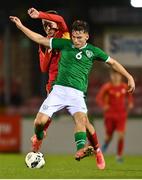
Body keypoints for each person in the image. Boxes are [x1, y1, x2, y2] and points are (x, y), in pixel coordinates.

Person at [9, 16, 135, 170]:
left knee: (82, 121)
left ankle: (84, 150)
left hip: (77, 94)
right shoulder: (65, 44)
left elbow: (113, 62)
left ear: (87, 36)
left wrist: (129, 77)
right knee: (39, 122)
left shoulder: (93, 51)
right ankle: (38, 138)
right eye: (74, 37)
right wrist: (21, 26)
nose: (76, 40)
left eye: (80, 38)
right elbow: (40, 39)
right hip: (59, 90)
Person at [27, 7, 103, 161]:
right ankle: (37, 143)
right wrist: (49, 50)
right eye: (44, 25)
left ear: (56, 25)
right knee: (44, 118)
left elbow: (60, 20)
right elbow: (43, 68)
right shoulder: (45, 43)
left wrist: (39, 15)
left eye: (50, 24)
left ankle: (97, 150)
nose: (47, 28)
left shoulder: (66, 35)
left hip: (73, 83)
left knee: (85, 123)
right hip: (55, 83)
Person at [95, 69, 134, 162]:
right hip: (109, 116)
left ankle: (119, 156)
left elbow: (130, 97)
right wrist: (103, 105)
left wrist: (130, 103)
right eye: (113, 75)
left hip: (121, 115)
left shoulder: (124, 87)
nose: (115, 77)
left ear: (120, 76)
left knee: (121, 135)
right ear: (111, 76)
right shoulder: (107, 87)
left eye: (117, 75)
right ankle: (105, 145)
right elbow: (99, 98)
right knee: (109, 137)